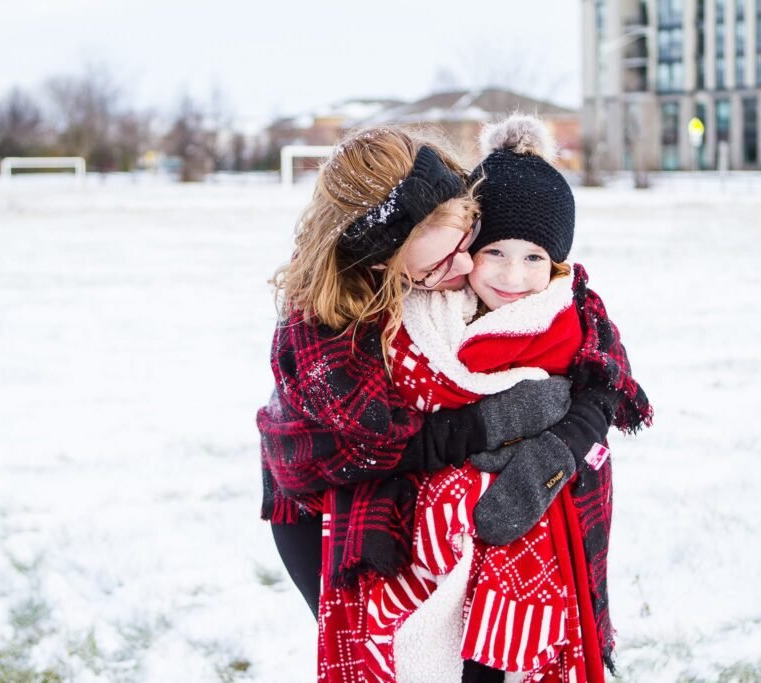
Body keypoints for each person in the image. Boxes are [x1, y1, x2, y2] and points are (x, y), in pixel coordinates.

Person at [256, 125, 646, 682]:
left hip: (465, 520)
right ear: (382, 268)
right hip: (325, 504)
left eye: (467, 240)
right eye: (438, 265)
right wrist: (487, 422)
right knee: (386, 654)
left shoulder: (484, 260)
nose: (464, 271)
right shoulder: (328, 331)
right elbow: (361, 449)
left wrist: (566, 438)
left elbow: (598, 358)